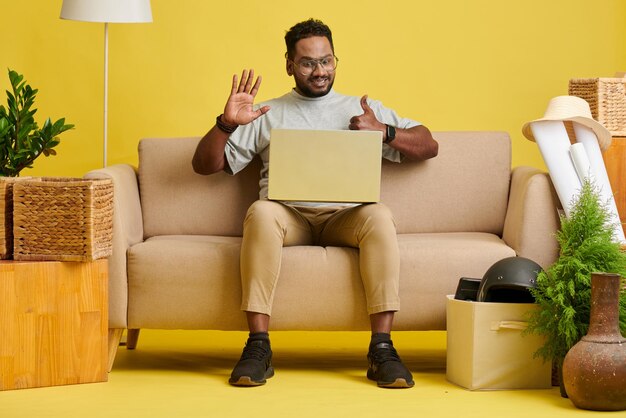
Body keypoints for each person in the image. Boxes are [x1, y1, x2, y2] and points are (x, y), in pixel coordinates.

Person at [192, 18, 438, 388]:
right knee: (260, 211)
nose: (319, 71)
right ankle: (258, 346)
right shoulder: (267, 113)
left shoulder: (363, 108)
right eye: (308, 63)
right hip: (288, 218)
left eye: (326, 61)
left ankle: (382, 348)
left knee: (380, 215)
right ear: (290, 65)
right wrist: (226, 124)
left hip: (346, 218)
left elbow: (429, 145)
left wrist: (383, 131)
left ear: (336, 61)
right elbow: (204, 165)